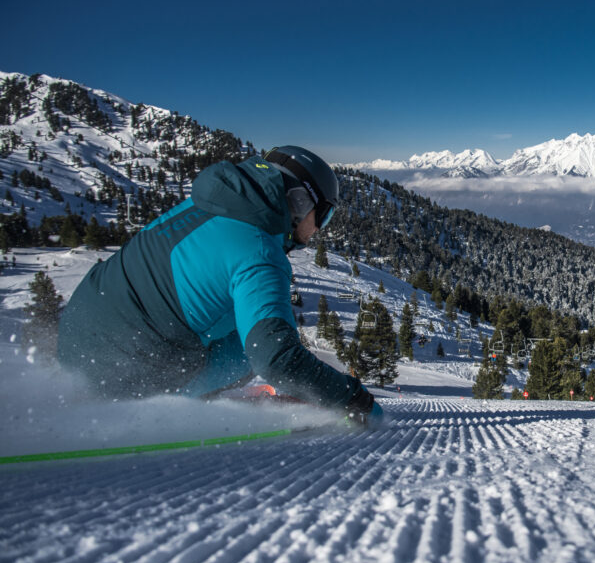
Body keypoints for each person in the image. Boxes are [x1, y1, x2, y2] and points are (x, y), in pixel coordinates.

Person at [58, 145, 382, 427]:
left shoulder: (208, 205)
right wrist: (355, 401)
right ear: (299, 203)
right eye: (323, 217)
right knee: (250, 343)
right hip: (123, 376)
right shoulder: (260, 251)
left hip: (75, 335)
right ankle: (181, 405)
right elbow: (274, 358)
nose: (319, 231)